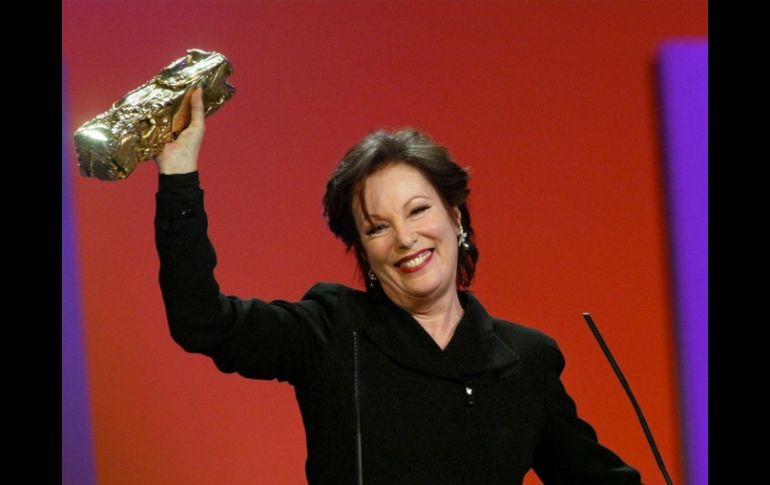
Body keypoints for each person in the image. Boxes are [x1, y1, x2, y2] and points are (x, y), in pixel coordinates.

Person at [154, 87, 644, 484]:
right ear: (363, 249)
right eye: (377, 227)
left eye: (418, 210)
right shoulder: (330, 331)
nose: (406, 238)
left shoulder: (526, 360)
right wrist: (179, 179)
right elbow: (202, 323)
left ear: (455, 217)